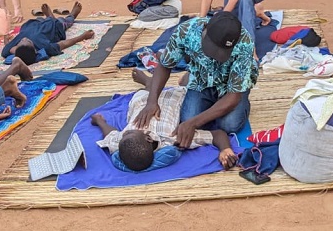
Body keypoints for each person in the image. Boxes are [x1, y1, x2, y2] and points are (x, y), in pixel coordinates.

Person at [134, 11, 257, 144]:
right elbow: (165, 65)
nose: (215, 55)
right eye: (212, 49)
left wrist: (194, 123)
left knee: (229, 125)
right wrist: (152, 101)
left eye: (221, 52)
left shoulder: (245, 43)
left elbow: (233, 96)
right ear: (204, 29)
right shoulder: (186, 31)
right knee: (187, 118)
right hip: (201, 80)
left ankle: (243, 97)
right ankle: (191, 78)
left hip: (230, 87)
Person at [90, 69, 238, 171]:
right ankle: (177, 78)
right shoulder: (173, 138)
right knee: (187, 87)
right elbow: (217, 134)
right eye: (128, 133)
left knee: (143, 96)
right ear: (148, 138)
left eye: (125, 133)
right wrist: (225, 149)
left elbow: (110, 134)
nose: (124, 133)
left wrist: (99, 121)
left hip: (141, 102)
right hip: (173, 99)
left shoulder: (123, 141)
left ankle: (149, 83)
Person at [1, 1, 95, 65]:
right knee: (64, 22)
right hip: (53, 28)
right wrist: (82, 36)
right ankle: (71, 15)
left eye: (22, 42)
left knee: (40, 19)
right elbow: (63, 44)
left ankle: (49, 17)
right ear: (35, 51)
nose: (24, 39)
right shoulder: (45, 48)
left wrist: (6, 40)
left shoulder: (14, 47)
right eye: (28, 42)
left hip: (34, 23)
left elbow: (9, 49)